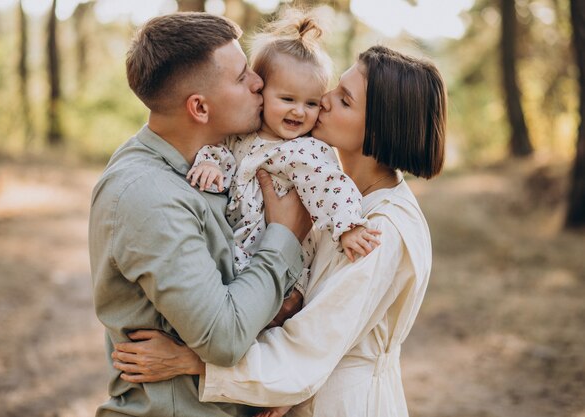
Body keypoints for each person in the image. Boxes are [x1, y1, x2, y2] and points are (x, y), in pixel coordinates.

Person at [111, 44, 447, 417]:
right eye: (335, 88)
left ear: (379, 129)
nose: (325, 100)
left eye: (345, 100)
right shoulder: (322, 191)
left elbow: (311, 345)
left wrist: (192, 362)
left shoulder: (380, 230)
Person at [88, 12, 313, 417]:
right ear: (199, 108)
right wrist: (285, 237)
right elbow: (223, 337)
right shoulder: (149, 195)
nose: (259, 82)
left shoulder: (220, 159)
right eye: (242, 77)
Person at [186, 10, 379, 291]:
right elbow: (218, 149)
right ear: (260, 91)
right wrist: (208, 164)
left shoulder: (306, 150)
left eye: (311, 103)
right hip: (237, 250)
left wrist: (349, 226)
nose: (298, 111)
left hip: (282, 268)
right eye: (287, 99)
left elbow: (331, 185)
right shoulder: (241, 134)